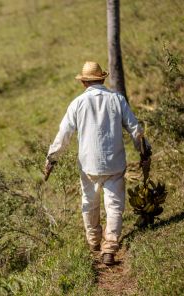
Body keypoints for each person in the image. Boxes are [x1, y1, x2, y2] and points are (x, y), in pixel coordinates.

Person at [44, 61, 150, 265]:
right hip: (115, 163)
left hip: (88, 165)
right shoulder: (117, 99)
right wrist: (144, 151)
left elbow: (63, 135)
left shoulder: (77, 103)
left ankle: (93, 242)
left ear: (84, 82)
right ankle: (109, 248)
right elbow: (135, 129)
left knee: (89, 202)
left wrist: (51, 158)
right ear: (102, 78)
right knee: (114, 206)